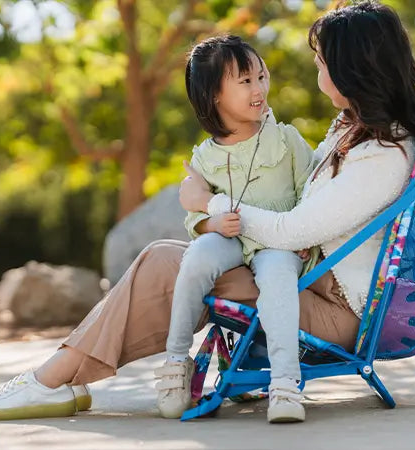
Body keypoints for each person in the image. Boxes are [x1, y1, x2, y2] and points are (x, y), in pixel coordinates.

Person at [0, 1, 415, 423]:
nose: (315, 72)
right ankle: (62, 376)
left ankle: (54, 379)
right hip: (310, 281)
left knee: (164, 265)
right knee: (168, 260)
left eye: (321, 62)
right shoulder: (354, 130)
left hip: (333, 308)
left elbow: (294, 229)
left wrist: (211, 204)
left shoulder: (381, 153)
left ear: (350, 69)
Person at [154, 34, 316, 422]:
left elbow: (312, 193)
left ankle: (284, 383)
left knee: (277, 276)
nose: (259, 88)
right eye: (245, 81)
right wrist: (212, 221)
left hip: (279, 242)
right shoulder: (204, 157)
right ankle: (177, 361)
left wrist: (308, 239)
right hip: (231, 239)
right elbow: (194, 218)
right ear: (214, 96)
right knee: (195, 259)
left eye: (262, 76)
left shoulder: (286, 140)